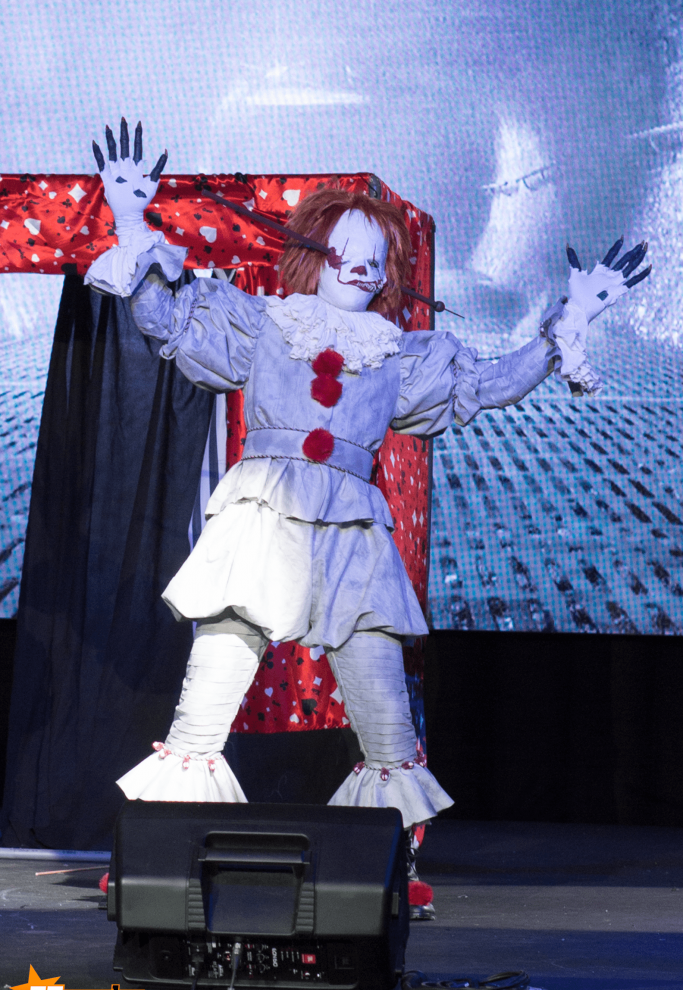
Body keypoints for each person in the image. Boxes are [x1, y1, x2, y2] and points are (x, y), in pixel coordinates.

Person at [85, 119, 651, 836]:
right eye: (348, 252)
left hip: (353, 529)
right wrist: (130, 220)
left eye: (377, 259)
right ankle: (165, 848)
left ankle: (388, 864)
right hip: (263, 512)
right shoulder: (265, 323)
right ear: (315, 256)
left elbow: (489, 384)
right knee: (208, 696)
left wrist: (571, 318)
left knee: (385, 717)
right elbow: (163, 320)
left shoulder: (398, 354)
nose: (363, 268)